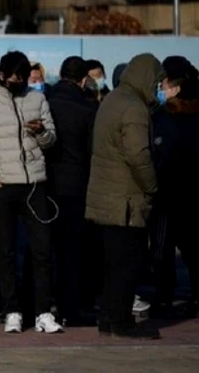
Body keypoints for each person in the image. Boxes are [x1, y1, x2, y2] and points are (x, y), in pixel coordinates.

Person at [0, 51, 62, 334]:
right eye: (12, 76)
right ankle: (12, 310)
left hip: (34, 182)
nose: (17, 81)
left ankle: (43, 312)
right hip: (4, 185)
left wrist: (40, 132)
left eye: (22, 77)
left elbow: (51, 140)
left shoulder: (37, 98)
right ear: (1, 74)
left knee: (42, 249)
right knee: (6, 251)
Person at [86, 53, 164, 340]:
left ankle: (108, 318)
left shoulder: (113, 100)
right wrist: (152, 186)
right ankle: (121, 321)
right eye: (157, 81)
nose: (159, 88)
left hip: (106, 197)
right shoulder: (134, 108)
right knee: (128, 264)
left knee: (112, 264)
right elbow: (138, 155)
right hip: (126, 200)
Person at [45, 56, 99, 326]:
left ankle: (41, 305)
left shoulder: (46, 102)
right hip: (77, 186)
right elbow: (93, 153)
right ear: (83, 79)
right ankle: (70, 307)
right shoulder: (87, 109)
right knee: (71, 252)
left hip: (45, 184)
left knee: (42, 250)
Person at [150, 56, 199, 319]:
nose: (161, 87)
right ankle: (173, 295)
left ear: (175, 85)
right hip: (176, 194)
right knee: (176, 248)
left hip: (171, 193)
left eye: (163, 82)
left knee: (168, 248)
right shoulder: (161, 115)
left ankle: (166, 296)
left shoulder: (164, 117)